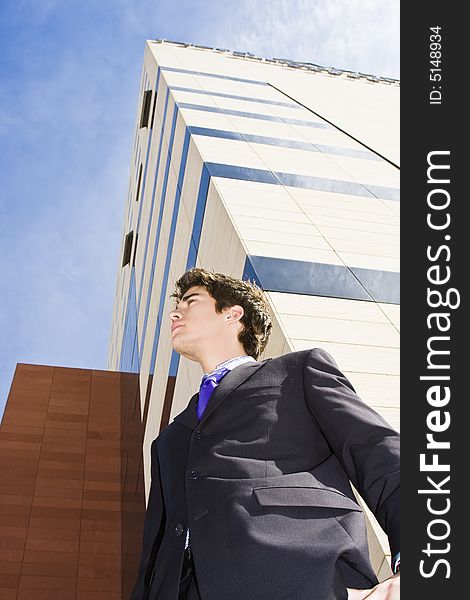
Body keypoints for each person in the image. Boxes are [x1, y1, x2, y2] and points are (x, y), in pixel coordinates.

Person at [130, 268, 400, 600]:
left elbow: (377, 451)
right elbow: (153, 551)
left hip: (300, 577)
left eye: (190, 301)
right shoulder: (168, 440)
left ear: (233, 314)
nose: (175, 312)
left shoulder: (297, 372)